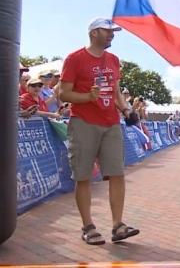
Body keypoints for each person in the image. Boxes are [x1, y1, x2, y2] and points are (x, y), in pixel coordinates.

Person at [59, 18, 140, 245]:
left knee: (117, 174)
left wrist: (126, 110)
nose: (112, 34)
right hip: (83, 122)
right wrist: (88, 97)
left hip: (112, 123)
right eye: (108, 31)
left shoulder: (113, 60)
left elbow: (115, 92)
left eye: (114, 31)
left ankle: (118, 225)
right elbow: (63, 93)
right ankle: (88, 226)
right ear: (94, 33)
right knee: (84, 177)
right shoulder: (74, 59)